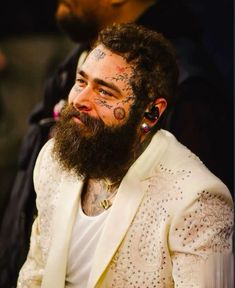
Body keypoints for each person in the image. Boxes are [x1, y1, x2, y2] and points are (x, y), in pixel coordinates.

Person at [0, 0, 233, 287]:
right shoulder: (53, 161)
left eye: (105, 93)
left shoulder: (199, 200)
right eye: (81, 81)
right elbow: (33, 276)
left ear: (151, 112)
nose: (80, 101)